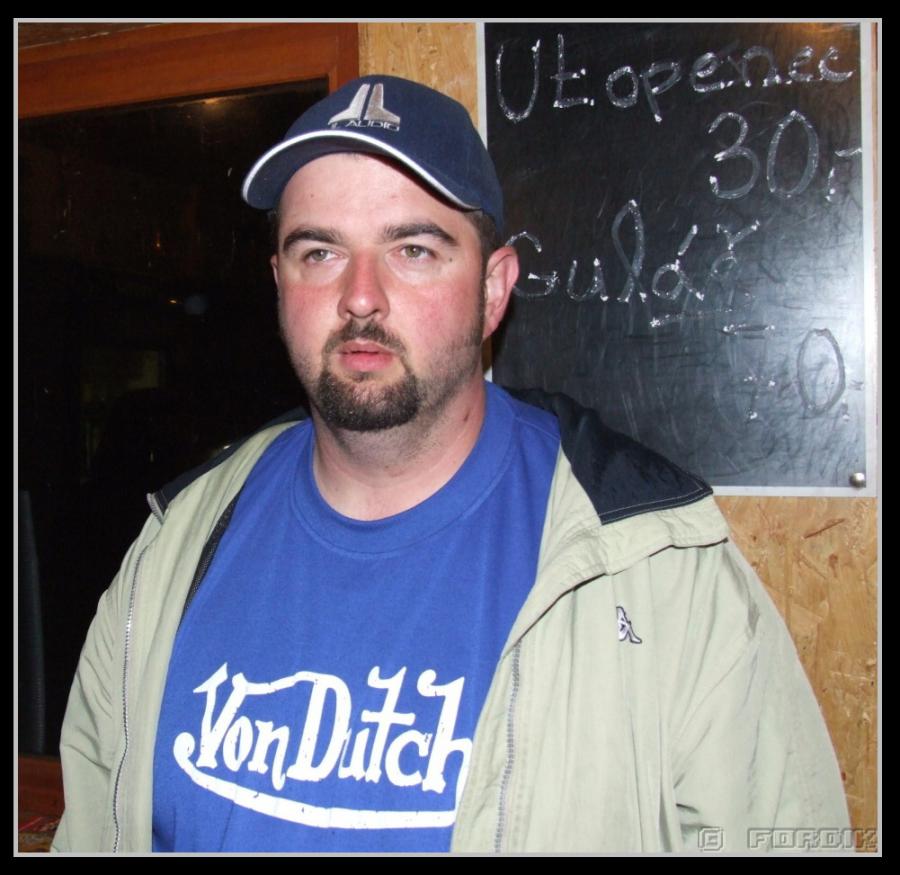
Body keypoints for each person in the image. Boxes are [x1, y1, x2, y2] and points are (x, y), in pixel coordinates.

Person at [52, 75, 849, 854]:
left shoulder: (658, 570)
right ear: (278, 284)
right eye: (319, 251)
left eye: (414, 248)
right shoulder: (174, 549)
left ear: (493, 290)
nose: (361, 296)